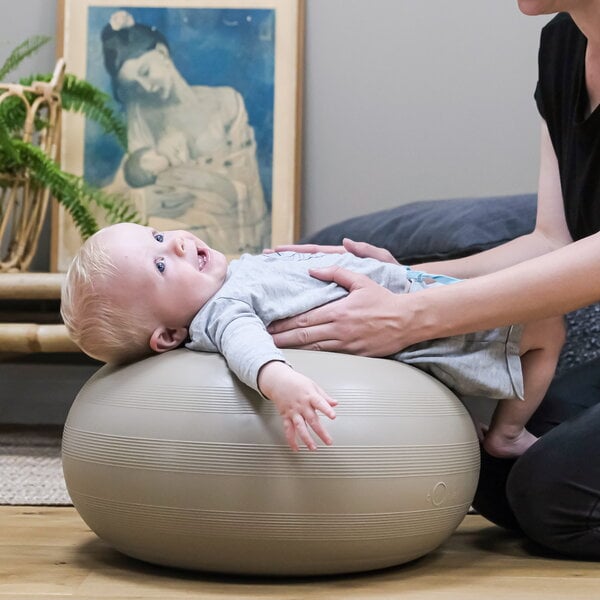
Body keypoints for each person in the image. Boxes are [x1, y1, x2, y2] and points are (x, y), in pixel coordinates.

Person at [265, 5, 600, 559]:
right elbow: (553, 242)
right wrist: (400, 280)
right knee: (488, 468)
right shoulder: (563, 46)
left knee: (554, 497)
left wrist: (414, 316)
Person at [60, 222, 563, 457]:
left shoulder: (239, 271)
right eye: (161, 265)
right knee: (548, 327)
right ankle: (507, 433)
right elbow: (247, 350)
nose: (173, 242)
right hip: (426, 326)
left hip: (419, 294)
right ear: (168, 335)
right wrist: (283, 385)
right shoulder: (222, 311)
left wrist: (382, 268)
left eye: (155, 236)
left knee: (540, 302)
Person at [100, 10, 270, 255]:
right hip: (175, 241)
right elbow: (134, 180)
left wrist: (203, 181)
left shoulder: (226, 102)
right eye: (135, 84)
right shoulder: (142, 116)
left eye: (146, 72)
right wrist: (147, 198)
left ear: (162, 53)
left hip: (229, 233)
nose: (146, 87)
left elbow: (247, 187)